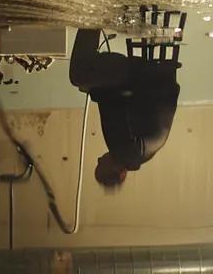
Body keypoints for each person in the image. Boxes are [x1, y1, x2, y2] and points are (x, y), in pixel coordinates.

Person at [67, 28, 179, 191]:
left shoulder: (140, 155)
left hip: (159, 80)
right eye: (100, 165)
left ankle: (92, 23)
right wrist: (92, 90)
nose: (98, 159)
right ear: (120, 172)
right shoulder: (123, 151)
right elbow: (113, 103)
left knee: (89, 76)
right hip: (142, 79)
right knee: (78, 76)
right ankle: (91, 20)